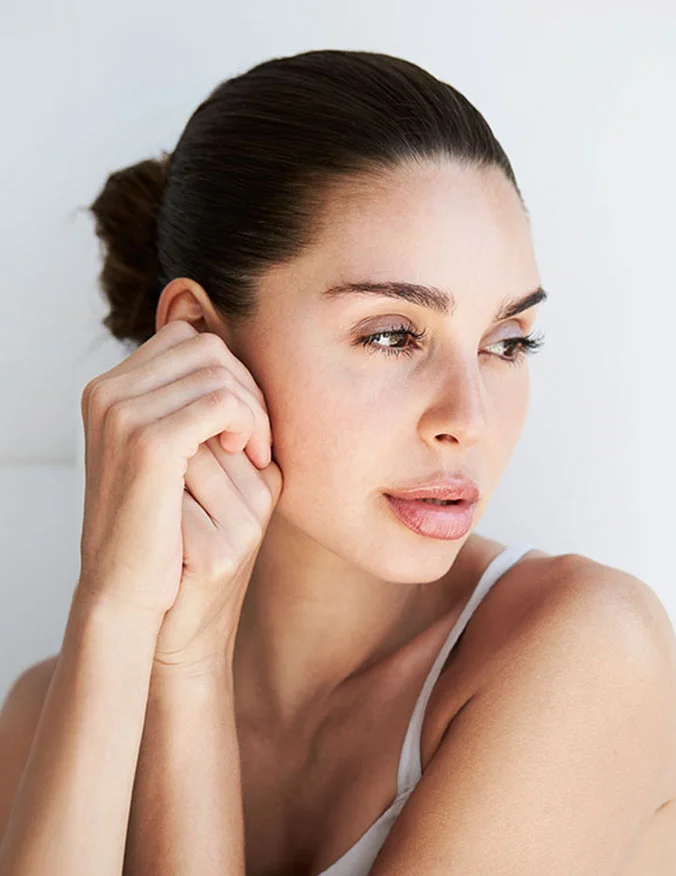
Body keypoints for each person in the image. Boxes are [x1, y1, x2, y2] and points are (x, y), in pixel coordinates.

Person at [1, 49, 674, 876]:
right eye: (392, 334)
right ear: (199, 341)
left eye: (508, 342)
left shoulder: (584, 651)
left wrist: (190, 673)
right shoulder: (50, 714)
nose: (467, 420)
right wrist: (112, 608)